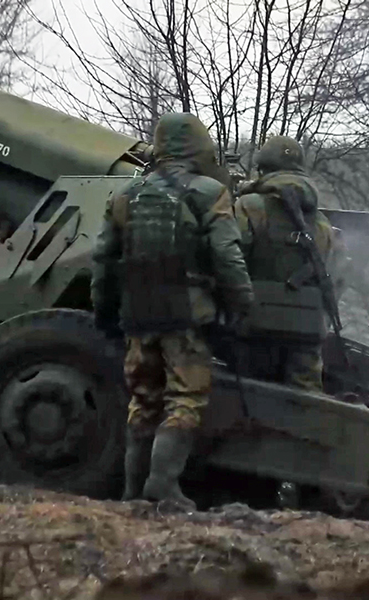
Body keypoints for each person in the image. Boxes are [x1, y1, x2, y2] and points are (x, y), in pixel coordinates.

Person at [91, 113, 254, 510]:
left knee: (143, 399)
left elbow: (103, 260)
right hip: (186, 316)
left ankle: (132, 492)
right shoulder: (209, 192)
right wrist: (241, 303)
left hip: (137, 314)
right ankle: (163, 486)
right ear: (198, 146)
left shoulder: (125, 196)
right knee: (185, 397)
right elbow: (227, 255)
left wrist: (104, 312)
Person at [233, 135, 348, 392]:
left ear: (263, 170)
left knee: (250, 402)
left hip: (253, 332)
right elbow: (337, 280)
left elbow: (229, 260)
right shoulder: (323, 224)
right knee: (305, 405)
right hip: (307, 339)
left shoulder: (249, 207)